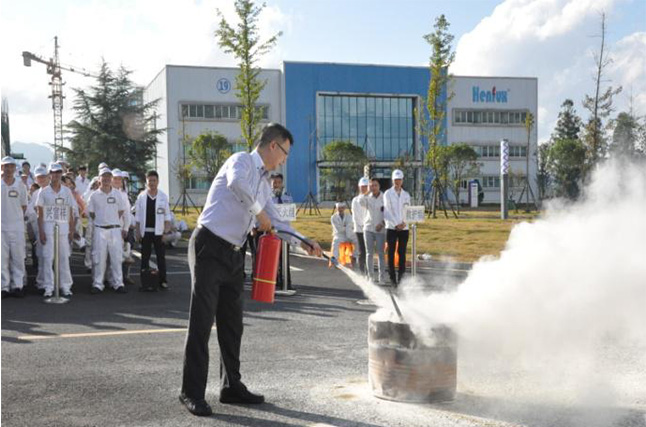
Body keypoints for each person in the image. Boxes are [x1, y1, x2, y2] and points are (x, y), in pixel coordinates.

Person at [180, 123, 322, 417]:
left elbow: (275, 220)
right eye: (285, 152)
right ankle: (191, 392)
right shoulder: (241, 162)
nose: (284, 159)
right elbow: (236, 186)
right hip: (209, 247)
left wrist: (303, 241)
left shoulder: (265, 181)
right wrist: (259, 213)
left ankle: (231, 387)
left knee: (232, 326)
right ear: (273, 146)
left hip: (233, 254)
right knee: (202, 322)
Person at [35, 162, 77, 298]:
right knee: (48, 258)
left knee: (64, 258)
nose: (56, 175)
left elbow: (71, 212)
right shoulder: (43, 191)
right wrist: (41, 231)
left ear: (61, 174)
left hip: (63, 230)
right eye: (53, 172)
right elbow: (39, 214)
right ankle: (49, 287)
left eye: (58, 172)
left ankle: (65, 286)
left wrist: (71, 231)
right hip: (48, 229)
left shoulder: (67, 191)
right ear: (50, 174)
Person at [87, 168, 128, 294]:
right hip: (100, 229)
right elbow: (91, 213)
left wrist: (112, 219)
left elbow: (121, 211)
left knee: (116, 258)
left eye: (108, 177)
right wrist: (102, 220)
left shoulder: (118, 194)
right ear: (99, 179)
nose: (106, 179)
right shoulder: (94, 196)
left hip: (114, 229)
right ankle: (98, 284)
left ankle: (118, 283)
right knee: (99, 258)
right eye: (103, 177)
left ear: (111, 178)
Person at [134, 170, 171, 291]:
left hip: (159, 233)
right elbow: (138, 217)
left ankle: (163, 281)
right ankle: (145, 282)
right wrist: (138, 232)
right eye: (150, 180)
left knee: (161, 257)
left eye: (154, 180)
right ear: (146, 182)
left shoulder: (163, 197)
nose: (152, 183)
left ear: (158, 181)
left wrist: (165, 232)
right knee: (145, 257)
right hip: (146, 232)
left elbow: (167, 217)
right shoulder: (141, 197)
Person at [2, 157, 28, 298]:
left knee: (18, 257)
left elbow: (24, 206)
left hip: (17, 227)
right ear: (2, 168)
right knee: (2, 258)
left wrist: (16, 219)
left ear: (14, 168)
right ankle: (4, 286)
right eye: (6, 166)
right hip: (1, 227)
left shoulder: (20, 185)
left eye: (11, 166)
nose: (9, 169)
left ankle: (18, 285)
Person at [384, 169, 411, 286]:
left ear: (402, 180)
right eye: (395, 180)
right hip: (391, 227)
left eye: (399, 179)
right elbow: (387, 210)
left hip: (404, 228)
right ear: (392, 180)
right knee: (391, 252)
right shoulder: (387, 194)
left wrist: (404, 223)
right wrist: (396, 224)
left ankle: (401, 277)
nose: (397, 182)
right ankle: (392, 277)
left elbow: (408, 210)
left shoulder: (406, 195)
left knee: (402, 252)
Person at [270, 173, 293, 290]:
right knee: (272, 258)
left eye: (279, 183)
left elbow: (289, 215)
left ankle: (286, 282)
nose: (277, 185)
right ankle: (273, 282)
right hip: (272, 231)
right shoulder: (267, 197)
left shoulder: (287, 197)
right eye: (274, 183)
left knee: (284, 258)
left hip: (284, 231)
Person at [362, 178, 386, 284]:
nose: (373, 187)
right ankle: (370, 276)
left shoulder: (385, 198)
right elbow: (359, 201)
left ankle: (382, 277)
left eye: (375, 185)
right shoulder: (367, 197)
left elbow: (389, 213)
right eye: (371, 185)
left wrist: (382, 224)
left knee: (381, 253)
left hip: (380, 229)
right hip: (368, 228)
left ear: (379, 186)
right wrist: (366, 192)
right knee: (369, 253)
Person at [351, 177, 370, 274]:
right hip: (359, 229)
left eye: (366, 186)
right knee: (362, 250)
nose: (364, 188)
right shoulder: (355, 200)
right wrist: (362, 226)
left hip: (369, 229)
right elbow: (356, 216)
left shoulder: (371, 199)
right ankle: (362, 269)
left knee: (369, 250)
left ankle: (369, 269)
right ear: (359, 187)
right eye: (362, 187)